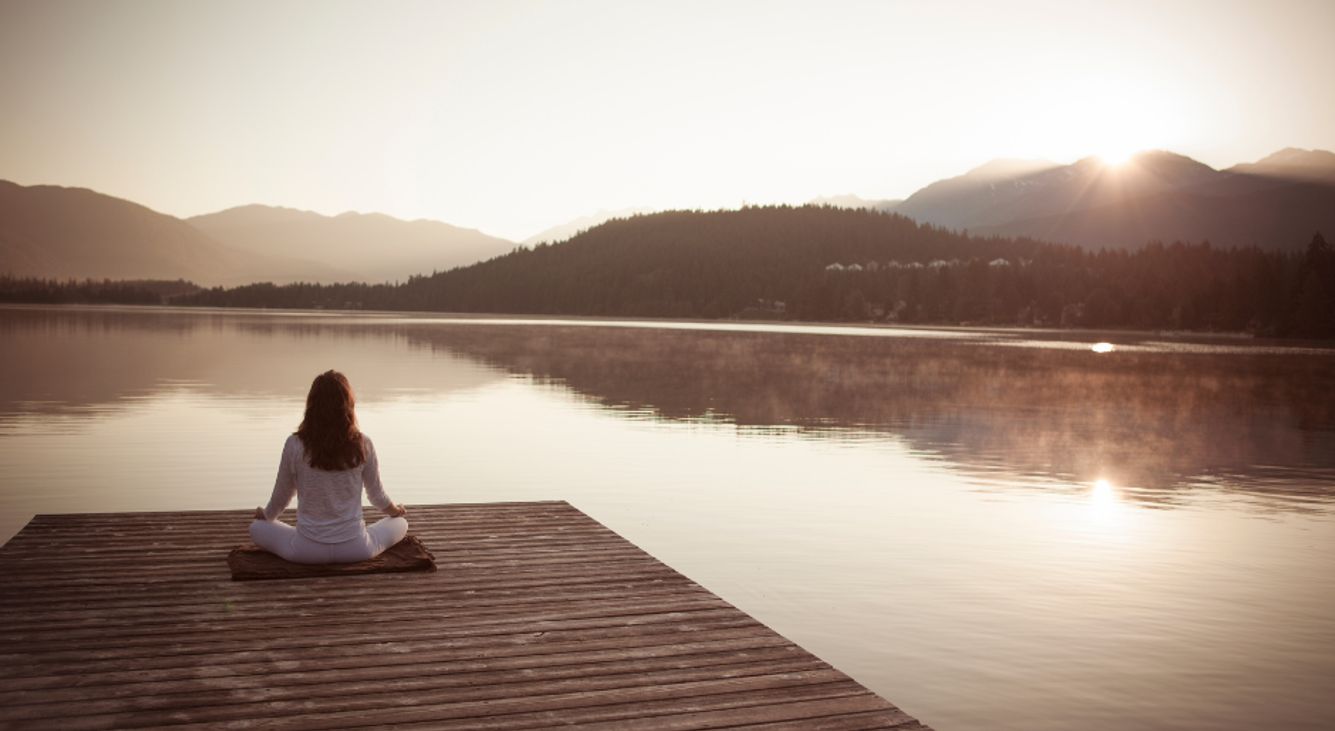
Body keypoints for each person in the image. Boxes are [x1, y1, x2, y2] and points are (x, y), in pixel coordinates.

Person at [249, 370, 409, 564]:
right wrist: (395, 512)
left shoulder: (294, 444)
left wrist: (266, 516)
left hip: (306, 551)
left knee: (256, 528)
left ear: (312, 405)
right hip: (357, 548)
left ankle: (301, 537)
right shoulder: (363, 443)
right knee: (401, 523)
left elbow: (282, 495)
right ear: (348, 405)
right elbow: (376, 496)